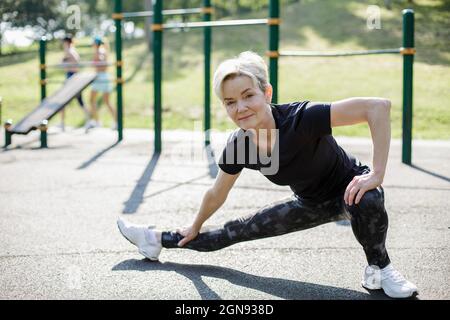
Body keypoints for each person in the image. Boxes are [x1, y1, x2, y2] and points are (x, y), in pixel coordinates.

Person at [117, 51, 418, 299]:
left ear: (266, 92)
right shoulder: (240, 145)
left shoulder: (302, 119)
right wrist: (194, 225)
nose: (241, 107)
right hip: (309, 203)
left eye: (248, 95)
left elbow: (377, 107)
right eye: (230, 102)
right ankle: (154, 239)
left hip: (349, 188)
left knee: (366, 199)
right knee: (235, 230)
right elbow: (217, 193)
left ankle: (381, 269)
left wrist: (376, 174)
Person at [85, 36, 117, 131]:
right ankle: (99, 120)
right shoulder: (101, 50)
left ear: (96, 44)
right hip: (102, 77)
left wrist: (98, 59)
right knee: (103, 101)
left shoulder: (100, 51)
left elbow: (102, 61)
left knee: (94, 100)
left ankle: (98, 121)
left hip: (100, 77)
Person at [59, 35, 89, 131]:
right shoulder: (72, 50)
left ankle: (62, 123)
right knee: (79, 101)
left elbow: (65, 63)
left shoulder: (69, 51)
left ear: (66, 42)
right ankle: (88, 120)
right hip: (72, 75)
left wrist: (64, 63)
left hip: (71, 76)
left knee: (63, 101)